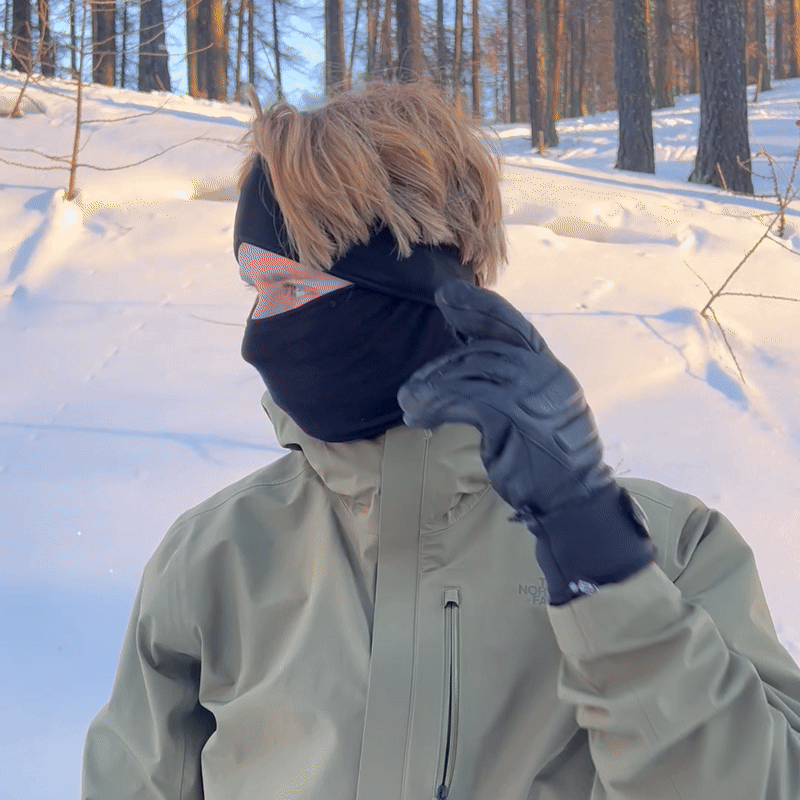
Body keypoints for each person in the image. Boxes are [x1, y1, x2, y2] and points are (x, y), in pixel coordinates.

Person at [82, 77, 800, 800]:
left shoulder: (670, 548)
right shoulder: (218, 554)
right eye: (255, 290)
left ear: (419, 288)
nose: (255, 338)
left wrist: (601, 567)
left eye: (293, 289)